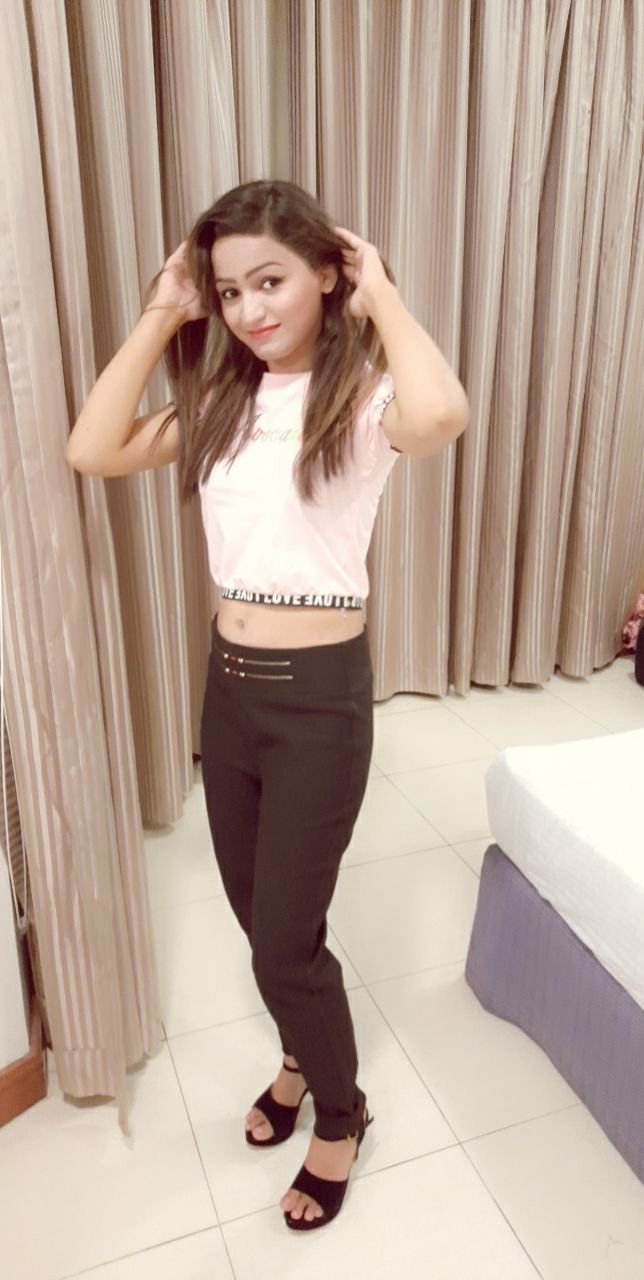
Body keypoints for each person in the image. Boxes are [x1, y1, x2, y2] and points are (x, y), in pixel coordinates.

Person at [66, 179, 469, 1231]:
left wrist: (381, 295)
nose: (248, 309)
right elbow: (92, 448)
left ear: (326, 274)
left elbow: (442, 415)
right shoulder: (221, 404)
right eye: (230, 290)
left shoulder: (363, 400)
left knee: (284, 940)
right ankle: (298, 1053)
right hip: (230, 691)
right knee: (260, 919)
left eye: (271, 281)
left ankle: (340, 1112)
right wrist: (164, 311)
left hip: (319, 704)